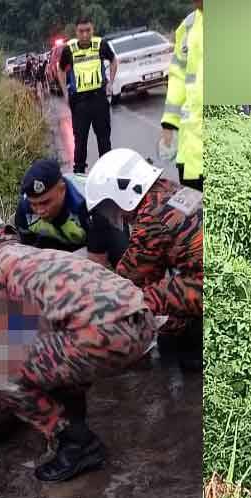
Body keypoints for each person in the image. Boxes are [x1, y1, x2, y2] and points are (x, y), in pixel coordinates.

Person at [0, 204, 156, 482]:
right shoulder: (28, 253)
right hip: (142, 321)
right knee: (49, 352)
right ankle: (75, 427)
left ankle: (76, 443)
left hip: (106, 332)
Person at [84, 148, 203, 371]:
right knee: (164, 286)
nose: (115, 214)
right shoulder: (167, 190)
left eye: (111, 206)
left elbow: (130, 277)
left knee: (145, 297)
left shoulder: (151, 217)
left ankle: (191, 343)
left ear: (124, 192)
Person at [14, 158, 127, 266]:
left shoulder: (90, 203)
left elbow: (96, 262)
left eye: (45, 202)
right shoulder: (24, 210)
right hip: (63, 241)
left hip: (103, 231)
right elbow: (28, 251)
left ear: (62, 189)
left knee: (121, 257)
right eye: (34, 204)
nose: (40, 211)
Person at [59, 17, 117, 175]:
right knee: (80, 141)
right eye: (81, 31)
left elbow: (113, 60)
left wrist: (110, 83)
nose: (85, 35)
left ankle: (108, 173)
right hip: (79, 103)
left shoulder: (101, 45)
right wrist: (65, 92)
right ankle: (79, 174)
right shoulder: (69, 49)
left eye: (88, 30)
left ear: (93, 30)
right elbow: (61, 70)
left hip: (99, 98)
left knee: (104, 139)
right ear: (76, 32)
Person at [160, 0, 203, 191]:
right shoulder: (188, 26)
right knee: (196, 214)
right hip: (191, 148)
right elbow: (178, 76)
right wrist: (169, 123)